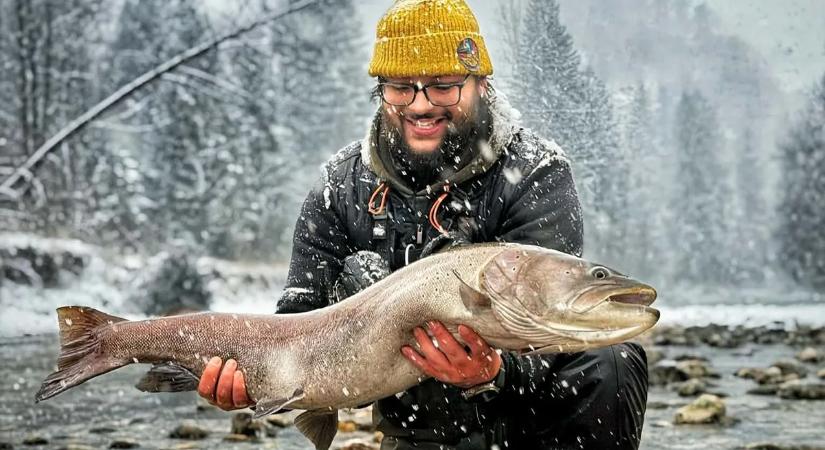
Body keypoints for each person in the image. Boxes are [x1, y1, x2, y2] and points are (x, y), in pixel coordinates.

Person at [197, 1, 649, 448]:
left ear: (481, 83)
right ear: (381, 89)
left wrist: (494, 373)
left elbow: (554, 322)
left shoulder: (534, 172)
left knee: (611, 358)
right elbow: (296, 323)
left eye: (443, 86)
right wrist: (248, 378)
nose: (420, 104)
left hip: (527, 425)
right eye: (400, 87)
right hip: (417, 430)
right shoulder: (341, 185)